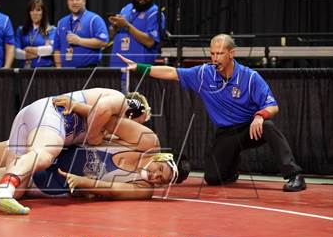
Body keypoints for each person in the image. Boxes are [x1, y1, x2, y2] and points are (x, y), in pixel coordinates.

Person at [118, 34, 306, 192]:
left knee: (268, 126)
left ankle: (294, 175)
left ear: (232, 54)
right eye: (212, 53)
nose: (215, 58)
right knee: (213, 178)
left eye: (220, 54)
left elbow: (273, 107)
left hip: (250, 128)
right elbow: (171, 73)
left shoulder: (250, 77)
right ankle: (232, 168)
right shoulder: (204, 74)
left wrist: (259, 116)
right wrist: (139, 68)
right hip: (226, 133)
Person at [0, 88, 151, 214]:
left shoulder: (112, 127)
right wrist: (94, 136)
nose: (134, 129)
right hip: (52, 116)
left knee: (19, 185)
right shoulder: (120, 100)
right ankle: (3, 189)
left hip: (34, 116)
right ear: (134, 111)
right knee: (43, 156)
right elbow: (101, 110)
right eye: (139, 122)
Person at [0, 116, 190, 214]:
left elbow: (105, 189)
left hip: (61, 180)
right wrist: (99, 134)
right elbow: (107, 120)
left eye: (163, 181)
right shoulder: (145, 141)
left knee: (18, 172)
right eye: (161, 171)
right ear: (161, 158)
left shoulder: (143, 189)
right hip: (63, 148)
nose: (156, 178)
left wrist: (82, 182)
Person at [108, 0, 165, 68]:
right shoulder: (126, 8)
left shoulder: (154, 13)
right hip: (117, 65)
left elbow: (150, 42)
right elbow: (111, 35)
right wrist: (114, 26)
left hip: (139, 67)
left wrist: (127, 26)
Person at [53, 0, 109, 68]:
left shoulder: (94, 19)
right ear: (67, 2)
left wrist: (79, 41)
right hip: (65, 73)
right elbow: (57, 49)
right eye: (71, 0)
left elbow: (103, 42)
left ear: (84, 1)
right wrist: (59, 69)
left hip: (88, 71)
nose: (74, 2)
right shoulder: (61, 22)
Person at [15, 0, 56, 68]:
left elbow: (50, 50)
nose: (35, 13)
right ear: (29, 13)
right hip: (25, 70)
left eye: (38, 10)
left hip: (44, 70)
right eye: (32, 10)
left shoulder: (51, 30)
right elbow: (15, 52)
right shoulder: (21, 30)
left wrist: (28, 49)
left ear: (43, 12)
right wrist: (38, 53)